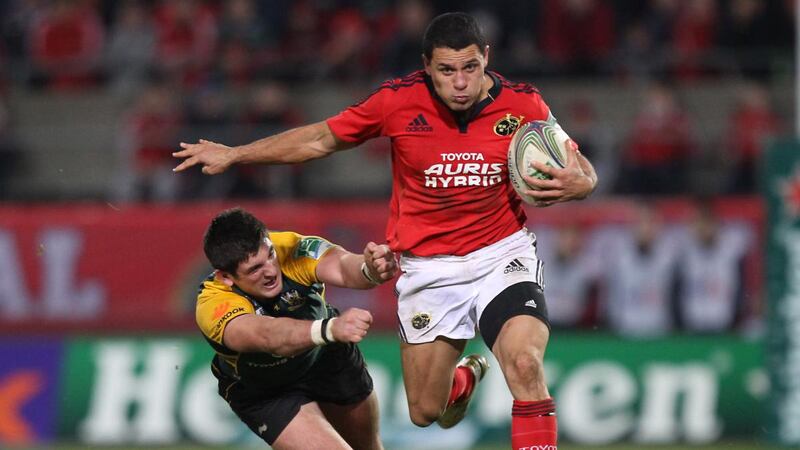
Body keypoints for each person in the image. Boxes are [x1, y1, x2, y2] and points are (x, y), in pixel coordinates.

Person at [175, 12, 597, 450]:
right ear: (426, 66)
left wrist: (582, 182)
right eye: (447, 70)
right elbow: (321, 139)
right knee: (425, 412)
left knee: (525, 365)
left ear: (486, 58)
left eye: (470, 67)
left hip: (501, 253)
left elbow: (580, 168)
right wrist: (238, 153)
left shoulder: (525, 104)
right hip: (429, 267)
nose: (460, 82)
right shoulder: (397, 102)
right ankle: (462, 379)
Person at [196, 207, 397, 449]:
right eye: (254, 269)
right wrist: (330, 329)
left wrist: (369, 270)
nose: (270, 271)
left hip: (326, 360)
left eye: (269, 255)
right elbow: (268, 336)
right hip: (266, 390)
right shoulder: (213, 304)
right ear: (226, 276)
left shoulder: (289, 248)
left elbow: (342, 266)